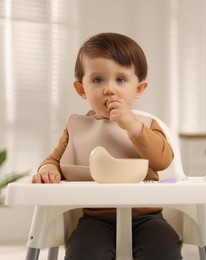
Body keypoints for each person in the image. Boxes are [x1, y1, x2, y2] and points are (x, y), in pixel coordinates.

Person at [32, 32, 182, 260]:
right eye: (97, 79)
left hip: (147, 217)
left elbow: (163, 160)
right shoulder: (76, 127)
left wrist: (133, 126)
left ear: (138, 89)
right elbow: (54, 159)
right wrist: (48, 170)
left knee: (164, 250)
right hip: (96, 217)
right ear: (82, 89)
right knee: (83, 252)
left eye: (120, 80)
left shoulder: (147, 125)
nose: (109, 89)